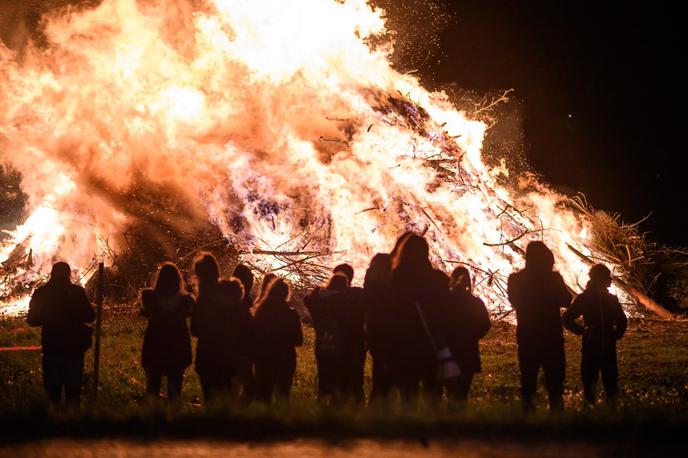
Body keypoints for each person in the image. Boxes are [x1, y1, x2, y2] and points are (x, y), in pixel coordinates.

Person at [507, 241, 572, 413]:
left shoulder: (516, 279)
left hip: (528, 336)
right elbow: (567, 300)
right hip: (551, 337)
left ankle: (529, 420)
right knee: (555, 381)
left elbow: (514, 301)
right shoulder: (553, 279)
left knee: (528, 379)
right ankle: (557, 419)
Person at [387, 233, 450, 403]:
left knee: (408, 391)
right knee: (433, 390)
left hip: (405, 344)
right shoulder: (439, 279)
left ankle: (410, 424)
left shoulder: (394, 280)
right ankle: (433, 425)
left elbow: (390, 314)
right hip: (433, 342)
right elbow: (447, 312)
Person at [27, 262, 95, 405]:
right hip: (74, 350)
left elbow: (32, 320)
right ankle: (73, 424)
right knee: (74, 395)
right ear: (69, 274)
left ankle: (53, 424)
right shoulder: (77, 292)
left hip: (52, 348)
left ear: (52, 274)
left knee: (52, 396)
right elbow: (90, 316)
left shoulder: (42, 292)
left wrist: (49, 316)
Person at [563, 264, 627, 407]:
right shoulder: (588, 298)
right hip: (594, 343)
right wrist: (582, 331)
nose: (610, 280)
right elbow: (567, 317)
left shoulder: (604, 299)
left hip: (601, 343)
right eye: (606, 277)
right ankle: (595, 412)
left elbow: (622, 320)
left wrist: (615, 334)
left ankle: (606, 411)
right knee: (592, 379)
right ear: (599, 279)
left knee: (606, 380)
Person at [191, 256, 248, 402]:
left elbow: (195, 329)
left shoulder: (203, 299)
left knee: (210, 398)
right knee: (226, 397)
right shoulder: (231, 291)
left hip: (207, 354)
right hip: (229, 354)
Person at [305, 272, 366, 403]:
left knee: (324, 378)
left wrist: (318, 291)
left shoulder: (319, 302)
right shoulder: (344, 302)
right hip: (342, 347)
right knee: (340, 379)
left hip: (323, 346)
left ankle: (322, 408)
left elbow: (307, 299)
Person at [140, 263, 194, 402]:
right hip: (177, 346)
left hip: (155, 345)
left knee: (152, 386)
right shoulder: (186, 301)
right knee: (175, 388)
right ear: (178, 279)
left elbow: (146, 313)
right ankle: (173, 418)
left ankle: (152, 418)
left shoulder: (149, 298)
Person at [443, 267, 491, 408]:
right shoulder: (475, 302)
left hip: (449, 351)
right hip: (468, 351)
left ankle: (451, 421)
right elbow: (485, 324)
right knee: (463, 391)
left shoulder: (445, 302)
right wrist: (473, 336)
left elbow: (437, 323)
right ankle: (461, 421)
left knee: (451, 390)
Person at [253, 278, 303, 403]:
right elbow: (298, 340)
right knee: (283, 395)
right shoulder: (291, 314)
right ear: (286, 294)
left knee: (263, 396)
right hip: (285, 358)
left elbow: (254, 336)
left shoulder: (261, 312)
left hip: (264, 358)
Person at [363, 253, 394, 401]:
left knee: (379, 369)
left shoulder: (370, 285)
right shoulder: (391, 287)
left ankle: (377, 400)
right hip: (390, 333)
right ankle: (384, 401)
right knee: (388, 372)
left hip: (374, 331)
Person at [231, 263, 256, 401]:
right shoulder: (245, 300)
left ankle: (231, 412)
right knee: (249, 388)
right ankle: (235, 414)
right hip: (242, 351)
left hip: (230, 349)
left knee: (234, 385)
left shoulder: (226, 297)